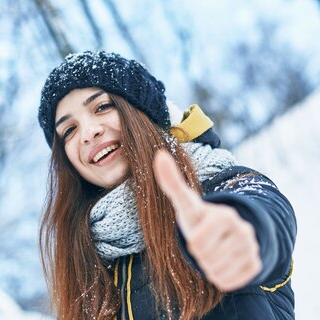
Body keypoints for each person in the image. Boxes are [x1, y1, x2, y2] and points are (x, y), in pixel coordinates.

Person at [37, 51, 297, 320]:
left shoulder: (218, 188)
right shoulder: (88, 263)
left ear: (143, 114)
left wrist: (241, 233)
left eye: (102, 107)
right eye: (69, 130)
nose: (89, 132)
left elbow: (268, 215)